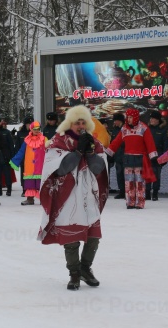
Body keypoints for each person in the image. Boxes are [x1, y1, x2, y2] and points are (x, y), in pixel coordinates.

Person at [38, 105, 108, 290]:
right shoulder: (58, 141)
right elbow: (60, 169)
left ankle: (85, 268)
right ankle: (74, 273)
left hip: (87, 194)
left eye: (83, 122)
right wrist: (77, 152)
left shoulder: (93, 141)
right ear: (69, 123)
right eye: (77, 122)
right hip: (67, 195)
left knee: (93, 236)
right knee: (71, 237)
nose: (80, 125)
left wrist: (90, 153)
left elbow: (99, 169)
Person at [104, 108, 158, 209]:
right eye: (127, 117)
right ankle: (130, 202)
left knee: (139, 182)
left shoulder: (143, 128)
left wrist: (153, 156)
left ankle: (140, 202)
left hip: (140, 159)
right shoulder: (124, 129)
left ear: (135, 117)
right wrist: (109, 152)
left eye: (130, 117)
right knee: (129, 182)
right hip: (128, 159)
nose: (128, 119)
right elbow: (116, 142)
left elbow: (150, 143)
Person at [10, 121, 47, 205]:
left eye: (38, 129)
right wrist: (15, 161)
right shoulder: (27, 140)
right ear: (31, 129)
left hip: (40, 165)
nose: (36, 131)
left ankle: (43, 199)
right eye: (35, 129)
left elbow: (48, 151)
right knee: (30, 183)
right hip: (29, 165)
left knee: (41, 183)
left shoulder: (44, 139)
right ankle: (30, 199)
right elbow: (21, 152)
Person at [147, 111, 168, 201]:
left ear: (158, 120)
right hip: (148, 155)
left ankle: (155, 193)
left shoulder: (164, 130)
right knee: (147, 174)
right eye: (151, 118)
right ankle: (147, 192)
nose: (152, 120)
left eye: (154, 119)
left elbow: (166, 145)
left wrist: (164, 158)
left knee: (156, 175)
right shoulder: (147, 129)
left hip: (158, 155)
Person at [106, 113, 125, 197]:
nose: (115, 122)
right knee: (119, 174)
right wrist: (111, 155)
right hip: (117, 156)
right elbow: (112, 143)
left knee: (127, 175)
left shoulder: (125, 129)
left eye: (116, 120)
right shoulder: (115, 130)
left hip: (126, 156)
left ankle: (127, 191)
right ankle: (122, 191)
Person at [0, 118, 16, 196]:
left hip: (6, 157)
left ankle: (9, 189)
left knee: (7, 174)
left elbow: (11, 145)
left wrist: (11, 156)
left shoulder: (6, 132)